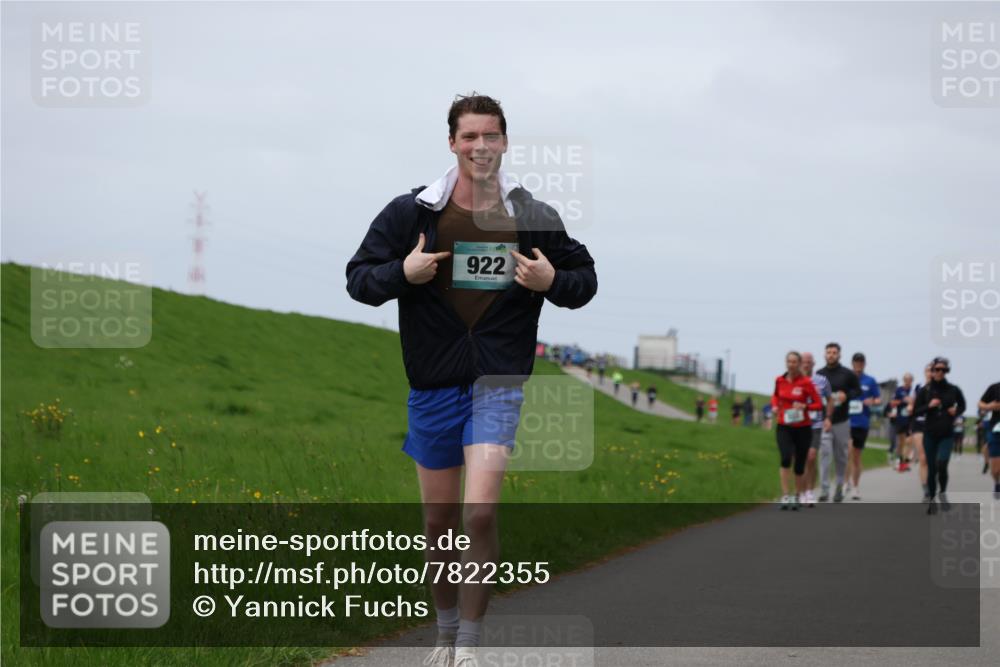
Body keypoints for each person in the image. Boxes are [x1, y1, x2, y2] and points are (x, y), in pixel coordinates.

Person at [345, 93, 597, 665]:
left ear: (505, 142)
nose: (480, 147)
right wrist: (401, 273)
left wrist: (551, 280)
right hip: (432, 384)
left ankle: (470, 643)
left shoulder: (532, 215)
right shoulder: (412, 213)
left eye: (491, 136)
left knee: (478, 512)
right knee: (438, 523)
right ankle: (445, 629)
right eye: (469, 137)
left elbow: (584, 280)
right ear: (452, 143)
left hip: (497, 383)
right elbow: (358, 279)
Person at [771, 351, 824, 510]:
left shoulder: (806, 382)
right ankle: (786, 495)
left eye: (795, 362)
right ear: (786, 363)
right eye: (789, 361)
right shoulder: (779, 380)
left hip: (803, 428)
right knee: (786, 457)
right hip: (784, 426)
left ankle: (796, 496)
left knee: (800, 465)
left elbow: (818, 404)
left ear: (799, 364)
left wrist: (805, 406)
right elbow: (775, 396)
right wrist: (774, 406)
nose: (791, 364)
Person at [913, 357, 966, 514]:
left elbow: (963, 405)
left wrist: (956, 411)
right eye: (937, 369)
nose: (940, 372)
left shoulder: (953, 389)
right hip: (929, 434)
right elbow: (916, 411)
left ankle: (942, 493)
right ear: (932, 371)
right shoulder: (926, 390)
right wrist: (929, 406)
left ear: (946, 371)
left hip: (946, 434)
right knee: (931, 469)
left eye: (943, 370)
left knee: (942, 465)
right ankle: (931, 500)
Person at [816, 342, 862, 502]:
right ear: (824, 354)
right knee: (825, 454)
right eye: (828, 352)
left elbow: (858, 391)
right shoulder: (819, 374)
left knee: (841, 457)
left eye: (834, 352)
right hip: (825, 422)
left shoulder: (847, 374)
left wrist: (846, 395)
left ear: (839, 355)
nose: (831, 355)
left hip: (842, 421)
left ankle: (840, 486)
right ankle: (824, 489)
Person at [846, 352, 881, 500]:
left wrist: (872, 401)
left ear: (864, 364)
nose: (858, 364)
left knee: (856, 456)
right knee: (847, 452)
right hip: (846, 421)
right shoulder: (846, 379)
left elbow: (878, 399)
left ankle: (855, 487)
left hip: (862, 422)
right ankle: (845, 483)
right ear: (852, 363)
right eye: (856, 362)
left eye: (861, 362)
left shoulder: (870, 381)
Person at [801, 351, 833, 508]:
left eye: (809, 361)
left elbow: (830, 399)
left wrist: (828, 417)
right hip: (798, 424)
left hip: (816, 425)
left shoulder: (822, 380)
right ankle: (801, 491)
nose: (806, 364)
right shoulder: (793, 380)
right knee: (800, 459)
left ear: (813, 363)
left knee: (812, 457)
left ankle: (809, 492)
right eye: (803, 361)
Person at [912, 364, 932, 499]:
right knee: (923, 458)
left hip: (934, 426)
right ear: (925, 372)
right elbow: (914, 407)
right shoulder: (919, 389)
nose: (931, 373)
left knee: (933, 460)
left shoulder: (943, 390)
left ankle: (932, 484)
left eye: (933, 370)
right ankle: (926, 489)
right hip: (919, 425)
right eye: (928, 370)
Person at [888, 373, 915, 472]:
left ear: (912, 380)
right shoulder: (899, 390)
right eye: (906, 379)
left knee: (909, 441)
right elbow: (892, 402)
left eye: (910, 379)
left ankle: (904, 462)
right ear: (904, 380)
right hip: (900, 419)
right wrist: (904, 401)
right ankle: (899, 460)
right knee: (901, 442)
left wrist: (912, 403)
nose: (908, 381)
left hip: (911, 419)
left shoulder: (914, 391)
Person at [978, 380, 1000, 497]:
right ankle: (997, 483)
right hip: (996, 429)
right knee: (996, 470)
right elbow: (980, 404)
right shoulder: (994, 387)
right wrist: (989, 406)